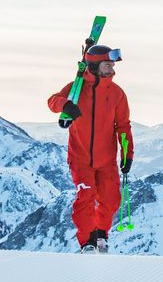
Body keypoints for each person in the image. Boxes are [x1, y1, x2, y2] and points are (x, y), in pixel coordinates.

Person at [47, 45, 134, 254]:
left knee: (111, 199)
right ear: (94, 66)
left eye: (113, 65)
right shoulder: (76, 88)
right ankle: (87, 241)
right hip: (80, 157)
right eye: (107, 65)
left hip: (106, 159)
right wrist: (65, 105)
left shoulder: (117, 93)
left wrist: (127, 153)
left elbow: (122, 126)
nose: (112, 69)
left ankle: (101, 233)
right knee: (85, 197)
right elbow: (52, 101)